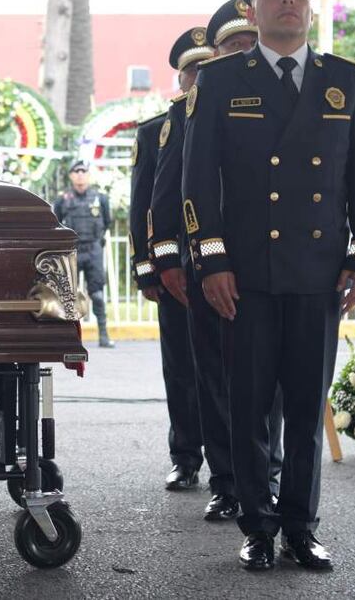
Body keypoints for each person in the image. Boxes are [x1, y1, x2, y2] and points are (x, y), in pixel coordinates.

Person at [182, 0, 355, 571]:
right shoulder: (218, 82)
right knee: (248, 408)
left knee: (304, 404)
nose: (288, 0)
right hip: (243, 277)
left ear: (312, 7)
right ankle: (257, 526)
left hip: (318, 274)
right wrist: (211, 261)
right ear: (252, 6)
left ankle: (301, 524)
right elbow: (196, 184)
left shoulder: (344, 83)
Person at [149, 3, 286, 521]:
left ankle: (266, 477)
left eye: (252, 43)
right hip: (208, 266)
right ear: (216, 57)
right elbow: (163, 198)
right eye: (233, 46)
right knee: (215, 378)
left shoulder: (286, 104)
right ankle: (227, 483)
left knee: (270, 381)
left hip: (272, 265)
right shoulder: (192, 108)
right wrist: (168, 264)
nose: (245, 53)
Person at [129, 28, 211, 491]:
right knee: (181, 366)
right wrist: (148, 270)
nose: (198, 78)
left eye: (205, 69)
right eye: (191, 72)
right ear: (179, 80)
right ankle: (185, 455)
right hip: (175, 271)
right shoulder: (155, 131)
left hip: (221, 267)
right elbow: (142, 205)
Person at [53, 161, 114, 348]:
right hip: (72, 250)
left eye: (83, 171)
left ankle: (103, 335)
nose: (80, 175)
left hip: (93, 249)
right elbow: (56, 223)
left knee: (97, 294)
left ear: (88, 175)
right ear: (71, 176)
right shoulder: (63, 199)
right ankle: (68, 337)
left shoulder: (100, 198)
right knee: (68, 295)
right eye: (76, 171)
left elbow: (107, 222)